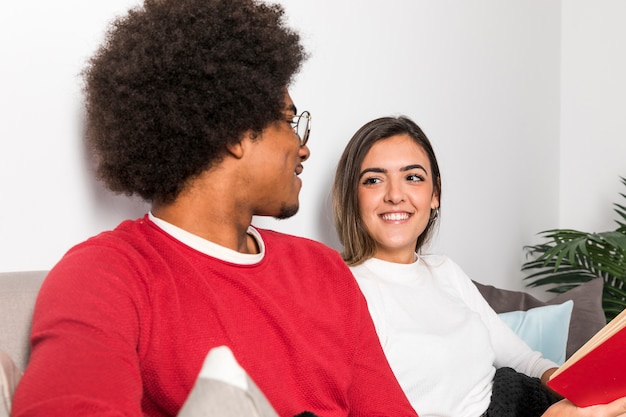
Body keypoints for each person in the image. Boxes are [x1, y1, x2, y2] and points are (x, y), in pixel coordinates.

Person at [10, 1, 419, 416]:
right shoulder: (107, 275)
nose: (304, 147)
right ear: (235, 131)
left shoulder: (324, 270)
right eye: (289, 121)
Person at [332, 115, 626, 417]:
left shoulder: (444, 270)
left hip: (519, 400)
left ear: (435, 195)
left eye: (413, 177)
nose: (395, 195)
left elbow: (523, 358)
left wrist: (575, 388)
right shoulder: (345, 290)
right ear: (353, 197)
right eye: (374, 180)